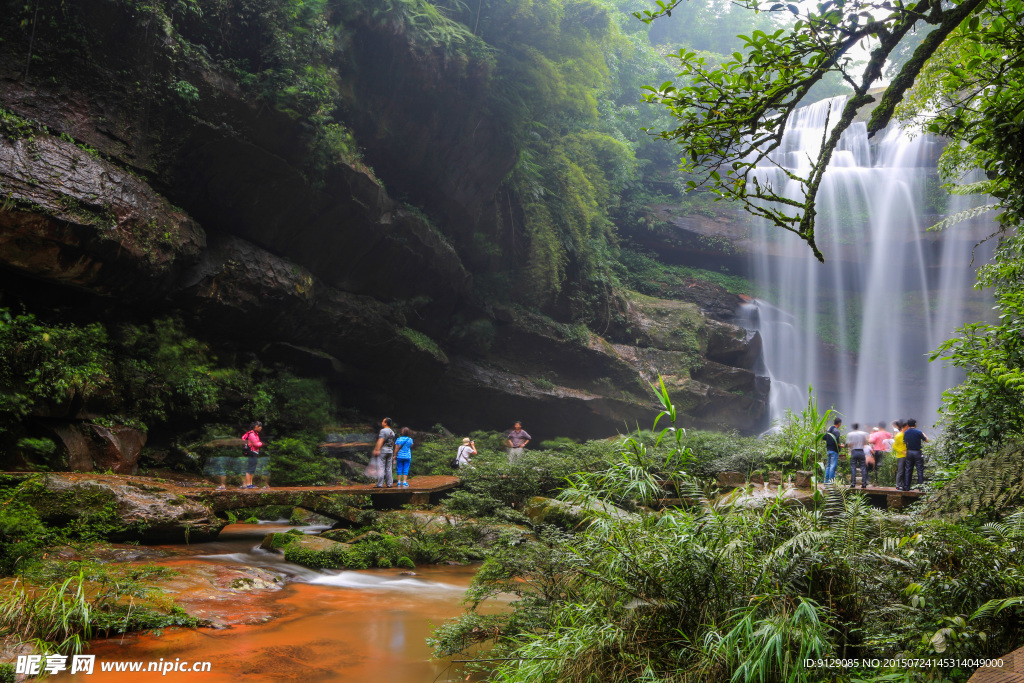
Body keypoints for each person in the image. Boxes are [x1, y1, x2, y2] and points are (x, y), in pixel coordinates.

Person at [902, 418, 929, 490]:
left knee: (908, 469)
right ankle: (921, 487)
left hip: (909, 452)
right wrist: (924, 435)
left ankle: (906, 487)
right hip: (917, 452)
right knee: (919, 469)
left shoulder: (906, 433)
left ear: (908, 425)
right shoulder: (919, 432)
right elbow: (927, 440)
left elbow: (904, 442)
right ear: (915, 424)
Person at [372, 417, 397, 488]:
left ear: (385, 423)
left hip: (383, 451)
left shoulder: (383, 431)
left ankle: (380, 484)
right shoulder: (392, 432)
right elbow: (392, 443)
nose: (382, 423)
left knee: (381, 467)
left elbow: (380, 441)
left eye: (383, 421)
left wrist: (376, 450)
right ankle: (389, 484)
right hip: (390, 450)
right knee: (389, 468)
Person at [240, 421, 264, 489]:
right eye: (260, 426)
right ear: (256, 426)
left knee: (252, 468)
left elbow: (256, 443)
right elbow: (256, 444)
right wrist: (261, 443)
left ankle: (250, 484)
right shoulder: (251, 434)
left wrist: (258, 443)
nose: (261, 428)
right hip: (251, 452)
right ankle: (248, 484)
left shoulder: (255, 433)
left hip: (255, 452)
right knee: (250, 468)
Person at [846, 422, 870, 488]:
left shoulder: (849, 434)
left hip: (854, 451)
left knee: (853, 467)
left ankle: (853, 483)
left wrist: (853, 443)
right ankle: (864, 483)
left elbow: (848, 444)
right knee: (863, 467)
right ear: (858, 427)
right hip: (861, 451)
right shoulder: (863, 433)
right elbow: (865, 443)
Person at [823, 417, 844, 484]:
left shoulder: (829, 429)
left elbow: (824, 437)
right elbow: (836, 442)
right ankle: (831, 482)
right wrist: (841, 446)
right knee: (833, 466)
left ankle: (826, 481)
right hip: (834, 450)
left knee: (828, 466)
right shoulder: (836, 431)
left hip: (828, 449)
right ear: (839, 423)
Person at [892, 420, 908, 490]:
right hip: (900, 456)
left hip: (906, 455)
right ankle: (898, 485)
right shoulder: (899, 435)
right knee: (900, 471)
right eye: (908, 427)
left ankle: (903, 485)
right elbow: (894, 446)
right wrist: (902, 451)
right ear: (905, 427)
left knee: (905, 471)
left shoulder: (905, 435)